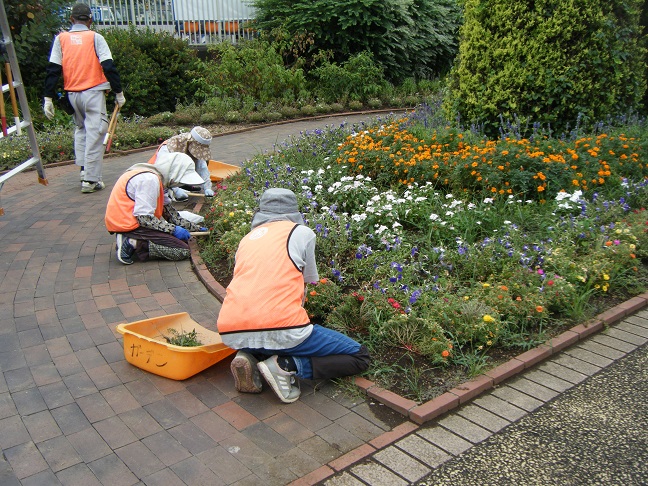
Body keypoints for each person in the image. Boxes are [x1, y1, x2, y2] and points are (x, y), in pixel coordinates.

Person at [216, 188, 370, 403]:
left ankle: (248, 354)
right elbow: (308, 282)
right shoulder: (302, 232)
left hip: (231, 329)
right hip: (282, 325)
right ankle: (286, 366)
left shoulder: (246, 239)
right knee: (359, 356)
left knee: (267, 335)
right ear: (294, 212)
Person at [42, 2, 126, 193]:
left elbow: (53, 70)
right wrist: (118, 93)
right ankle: (90, 180)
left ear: (71, 19)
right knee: (96, 133)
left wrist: (48, 98)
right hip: (93, 92)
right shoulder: (95, 37)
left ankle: (83, 171)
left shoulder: (61, 39)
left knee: (81, 131)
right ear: (90, 20)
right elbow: (108, 66)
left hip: (73, 94)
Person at [104, 152, 208, 265]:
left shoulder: (157, 179)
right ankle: (135, 242)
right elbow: (144, 219)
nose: (178, 185)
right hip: (130, 224)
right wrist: (173, 230)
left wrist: (195, 228)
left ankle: (134, 238)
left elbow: (169, 213)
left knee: (181, 239)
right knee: (182, 250)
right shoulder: (150, 180)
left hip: (133, 221)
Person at [148, 127, 215, 202]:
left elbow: (202, 168)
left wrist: (207, 187)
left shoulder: (191, 147)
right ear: (191, 143)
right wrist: (175, 190)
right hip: (154, 177)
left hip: (174, 177)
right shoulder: (168, 148)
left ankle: (184, 186)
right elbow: (164, 172)